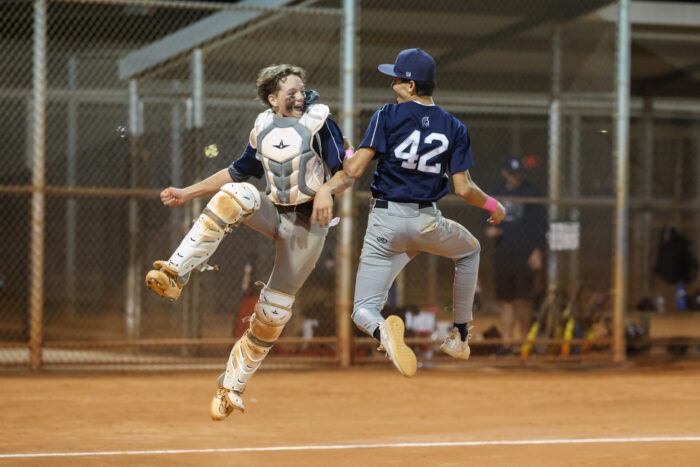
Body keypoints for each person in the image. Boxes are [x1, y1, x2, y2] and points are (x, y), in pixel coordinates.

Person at [145, 64, 353, 420]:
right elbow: (236, 171)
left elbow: (346, 172)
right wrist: (186, 192)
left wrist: (326, 193)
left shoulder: (320, 123)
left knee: (271, 315)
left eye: (303, 90)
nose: (301, 96)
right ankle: (176, 273)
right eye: (292, 92)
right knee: (235, 193)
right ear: (273, 98)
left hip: (307, 226)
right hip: (275, 211)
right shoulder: (263, 127)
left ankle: (231, 387)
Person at [343, 48, 506, 376]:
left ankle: (380, 330)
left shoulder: (386, 115)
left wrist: (344, 148)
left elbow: (354, 169)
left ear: (412, 86)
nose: (392, 85)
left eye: (398, 79)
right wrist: (494, 205)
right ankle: (459, 336)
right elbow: (464, 189)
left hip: (385, 223)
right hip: (427, 223)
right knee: (471, 250)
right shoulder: (454, 126)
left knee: (362, 309)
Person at [485, 156, 547, 355]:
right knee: (506, 299)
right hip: (504, 253)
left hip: (526, 253)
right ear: (505, 173)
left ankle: (524, 341)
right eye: (512, 174)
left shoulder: (531, 192)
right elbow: (486, 220)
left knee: (524, 299)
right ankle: (506, 342)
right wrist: (490, 229)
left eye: (519, 173)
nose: (516, 177)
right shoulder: (497, 192)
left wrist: (538, 250)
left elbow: (540, 224)